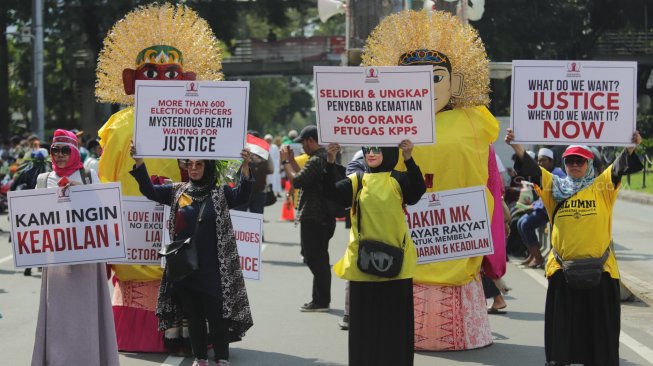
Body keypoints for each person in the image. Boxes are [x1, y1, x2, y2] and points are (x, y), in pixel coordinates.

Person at [363, 10, 500, 350]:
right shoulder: (390, 125)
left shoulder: (473, 121)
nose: (425, 87)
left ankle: (461, 333)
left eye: (435, 77)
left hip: (457, 228)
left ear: (455, 83)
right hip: (410, 224)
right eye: (413, 79)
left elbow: (486, 174)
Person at [95, 3, 224, 352]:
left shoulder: (194, 120)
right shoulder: (120, 128)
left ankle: (188, 333)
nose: (163, 81)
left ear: (186, 79)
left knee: (186, 267)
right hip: (135, 224)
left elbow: (205, 172)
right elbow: (106, 178)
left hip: (179, 216)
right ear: (132, 80)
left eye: (172, 73)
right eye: (152, 73)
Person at [505, 128, 643, 366]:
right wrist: (517, 147)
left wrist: (631, 146)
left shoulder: (602, 186)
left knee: (600, 336)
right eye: (570, 161)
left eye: (580, 160)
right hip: (562, 271)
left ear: (589, 163)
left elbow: (621, 165)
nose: (575, 165)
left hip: (602, 272)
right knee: (562, 338)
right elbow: (533, 170)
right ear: (564, 164)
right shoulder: (552, 186)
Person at [130, 144, 254, 366]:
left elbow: (243, 196)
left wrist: (245, 167)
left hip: (214, 268)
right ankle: (200, 358)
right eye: (190, 164)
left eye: (199, 164)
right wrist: (139, 162)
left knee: (216, 317)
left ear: (208, 167)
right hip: (185, 267)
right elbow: (148, 190)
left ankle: (222, 359)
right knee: (194, 316)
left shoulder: (220, 193)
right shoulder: (177, 191)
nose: (193, 168)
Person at [324, 141, 426, 365]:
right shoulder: (357, 180)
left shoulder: (398, 179)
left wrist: (409, 158)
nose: (371, 154)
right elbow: (332, 194)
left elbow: (417, 191)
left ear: (388, 152)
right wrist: (331, 161)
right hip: (363, 265)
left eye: (377, 149)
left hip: (397, 265)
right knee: (365, 327)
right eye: (368, 149)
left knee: (396, 325)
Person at [31, 129, 119, 366]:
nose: (59, 155)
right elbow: (34, 218)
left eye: (64, 150)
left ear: (74, 151)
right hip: (56, 260)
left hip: (87, 260)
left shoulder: (89, 174)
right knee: (58, 314)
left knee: (87, 313)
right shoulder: (44, 179)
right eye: (55, 150)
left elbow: (104, 211)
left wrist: (79, 191)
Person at [280, 125, 335, 312]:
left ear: (311, 140)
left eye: (303, 143)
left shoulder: (317, 160)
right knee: (318, 257)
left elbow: (296, 181)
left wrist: (285, 163)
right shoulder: (321, 158)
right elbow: (304, 176)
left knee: (315, 258)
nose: (302, 147)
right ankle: (319, 299)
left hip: (314, 215)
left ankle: (321, 301)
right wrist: (293, 161)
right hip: (322, 215)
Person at [517, 147, 566, 268]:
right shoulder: (544, 174)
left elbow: (552, 197)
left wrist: (534, 207)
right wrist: (532, 205)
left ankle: (538, 258)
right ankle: (532, 255)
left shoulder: (557, 174)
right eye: (539, 161)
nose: (540, 163)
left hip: (552, 211)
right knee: (519, 222)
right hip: (543, 208)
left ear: (551, 161)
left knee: (525, 224)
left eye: (543, 160)